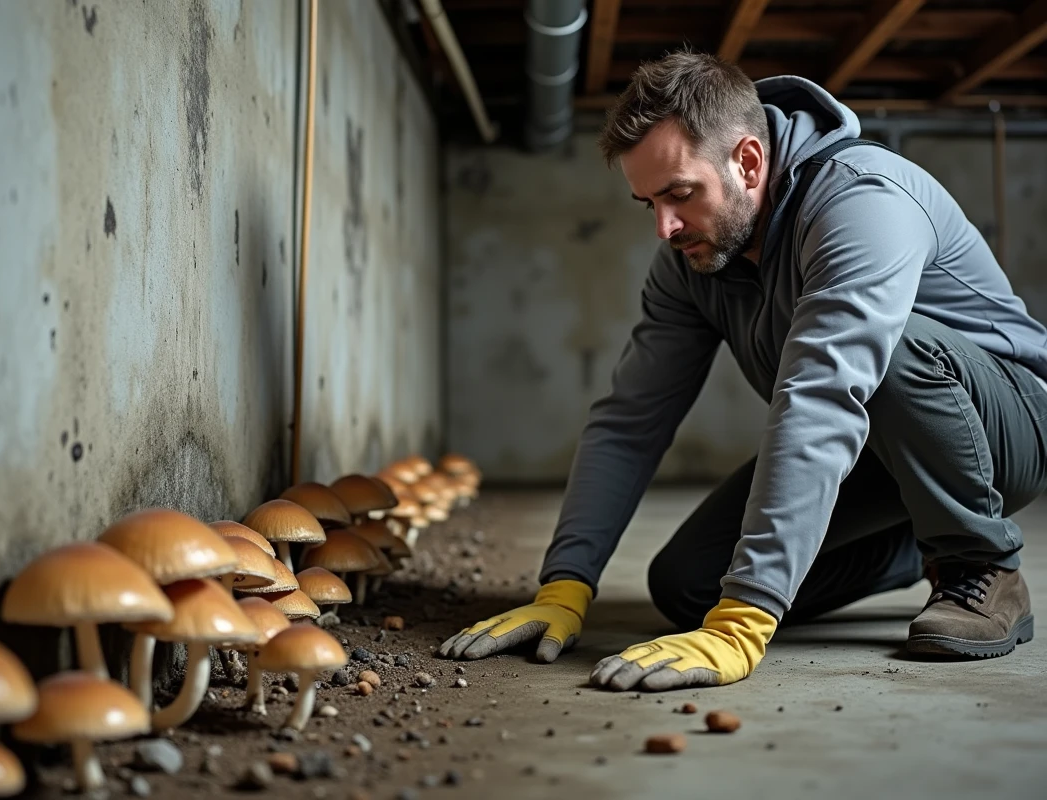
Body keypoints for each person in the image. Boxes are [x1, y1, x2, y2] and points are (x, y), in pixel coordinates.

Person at [437, 51, 1047, 692]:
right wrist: (566, 582)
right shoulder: (690, 258)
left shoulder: (859, 202)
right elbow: (631, 418)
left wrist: (745, 621)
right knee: (688, 584)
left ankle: (981, 563)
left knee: (891, 351)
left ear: (748, 162)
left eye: (679, 194)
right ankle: (916, 538)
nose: (665, 226)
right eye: (647, 203)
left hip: (1007, 428)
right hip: (878, 451)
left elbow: (824, 395)